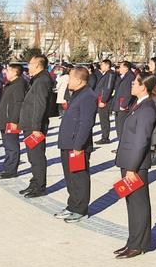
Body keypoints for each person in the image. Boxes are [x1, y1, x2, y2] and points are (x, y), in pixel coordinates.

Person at [114, 73, 156, 258]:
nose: (131, 84)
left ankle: (139, 244)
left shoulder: (147, 108)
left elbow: (141, 141)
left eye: (135, 82)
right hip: (129, 162)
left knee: (139, 205)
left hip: (136, 165)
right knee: (131, 204)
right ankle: (132, 241)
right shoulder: (138, 104)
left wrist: (132, 168)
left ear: (143, 87)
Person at [55, 66, 98, 222]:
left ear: (79, 80)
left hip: (77, 145)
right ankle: (72, 205)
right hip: (67, 142)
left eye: (71, 78)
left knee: (79, 178)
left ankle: (80, 208)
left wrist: (78, 146)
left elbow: (86, 123)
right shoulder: (77, 94)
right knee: (70, 178)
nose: (68, 81)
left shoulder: (88, 96)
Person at [20, 55, 54, 198]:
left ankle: (39, 186)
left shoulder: (42, 80)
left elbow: (40, 105)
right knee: (32, 157)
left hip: (35, 126)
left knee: (37, 156)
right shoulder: (37, 79)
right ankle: (34, 182)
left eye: (30, 63)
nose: (28, 66)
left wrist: (36, 127)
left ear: (38, 65)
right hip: (30, 124)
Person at [0, 63, 27, 179]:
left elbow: (19, 104)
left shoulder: (19, 85)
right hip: (5, 119)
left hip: (11, 121)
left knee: (12, 146)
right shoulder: (11, 84)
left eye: (8, 71)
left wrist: (14, 120)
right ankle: (7, 167)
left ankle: (11, 170)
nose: (5, 72)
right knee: (7, 146)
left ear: (15, 72)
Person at [94, 59, 117, 144]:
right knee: (102, 119)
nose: (101, 66)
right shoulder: (106, 74)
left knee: (104, 119)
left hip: (104, 100)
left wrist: (103, 100)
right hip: (101, 98)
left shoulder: (110, 74)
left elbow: (108, 88)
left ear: (107, 65)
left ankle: (105, 137)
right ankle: (104, 136)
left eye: (102, 65)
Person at [111, 61, 135, 141]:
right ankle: (121, 144)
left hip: (123, 106)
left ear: (126, 68)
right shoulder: (124, 76)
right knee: (119, 126)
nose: (119, 69)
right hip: (119, 105)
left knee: (122, 127)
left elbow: (128, 92)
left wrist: (124, 105)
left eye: (120, 67)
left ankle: (123, 144)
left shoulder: (130, 77)